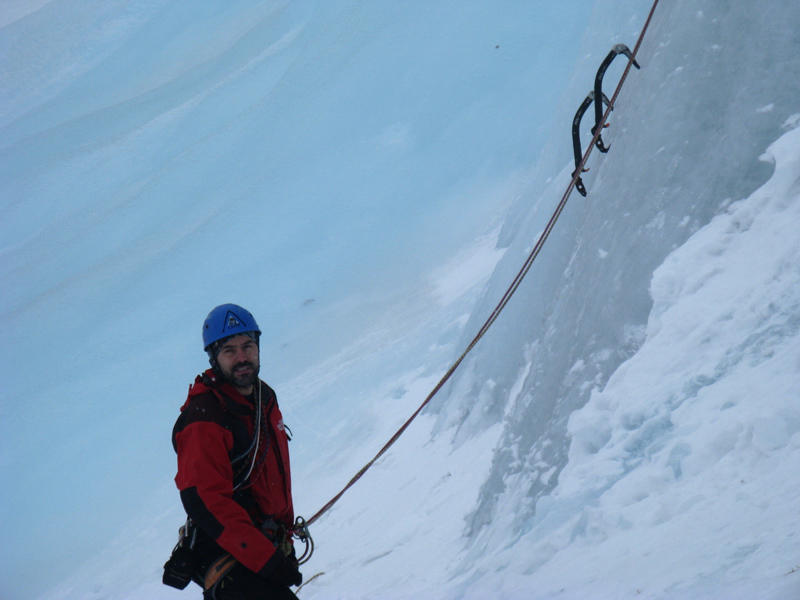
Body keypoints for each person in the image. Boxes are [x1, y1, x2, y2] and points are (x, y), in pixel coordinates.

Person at [169, 303, 302, 599]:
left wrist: (283, 540)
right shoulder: (205, 418)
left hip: (259, 545)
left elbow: (273, 476)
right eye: (229, 350)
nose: (242, 358)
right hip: (228, 551)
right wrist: (265, 559)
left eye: (248, 346)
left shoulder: (262, 397)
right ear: (214, 358)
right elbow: (205, 500)